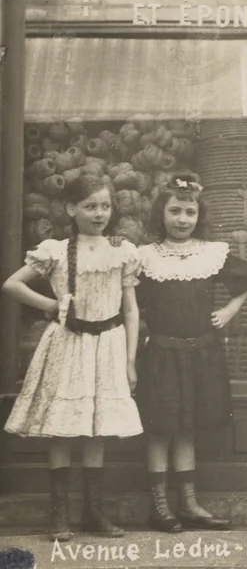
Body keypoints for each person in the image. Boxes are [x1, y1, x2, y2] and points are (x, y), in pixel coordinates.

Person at [3, 175, 142, 541]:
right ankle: (59, 515)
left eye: (105, 206)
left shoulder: (122, 251)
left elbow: (130, 310)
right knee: (64, 429)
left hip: (108, 345)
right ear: (71, 209)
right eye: (90, 206)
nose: (99, 214)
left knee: (96, 429)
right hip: (68, 344)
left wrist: (129, 360)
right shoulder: (55, 250)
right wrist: (54, 305)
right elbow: (11, 285)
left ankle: (93, 512)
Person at [136, 172, 247, 532]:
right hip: (161, 355)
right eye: (174, 211)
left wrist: (228, 311)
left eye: (189, 212)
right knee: (161, 428)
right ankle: (160, 506)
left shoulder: (212, 253)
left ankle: (189, 504)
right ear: (161, 213)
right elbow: (129, 302)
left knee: (187, 428)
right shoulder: (145, 257)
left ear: (198, 215)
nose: (181, 220)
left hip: (201, 355)